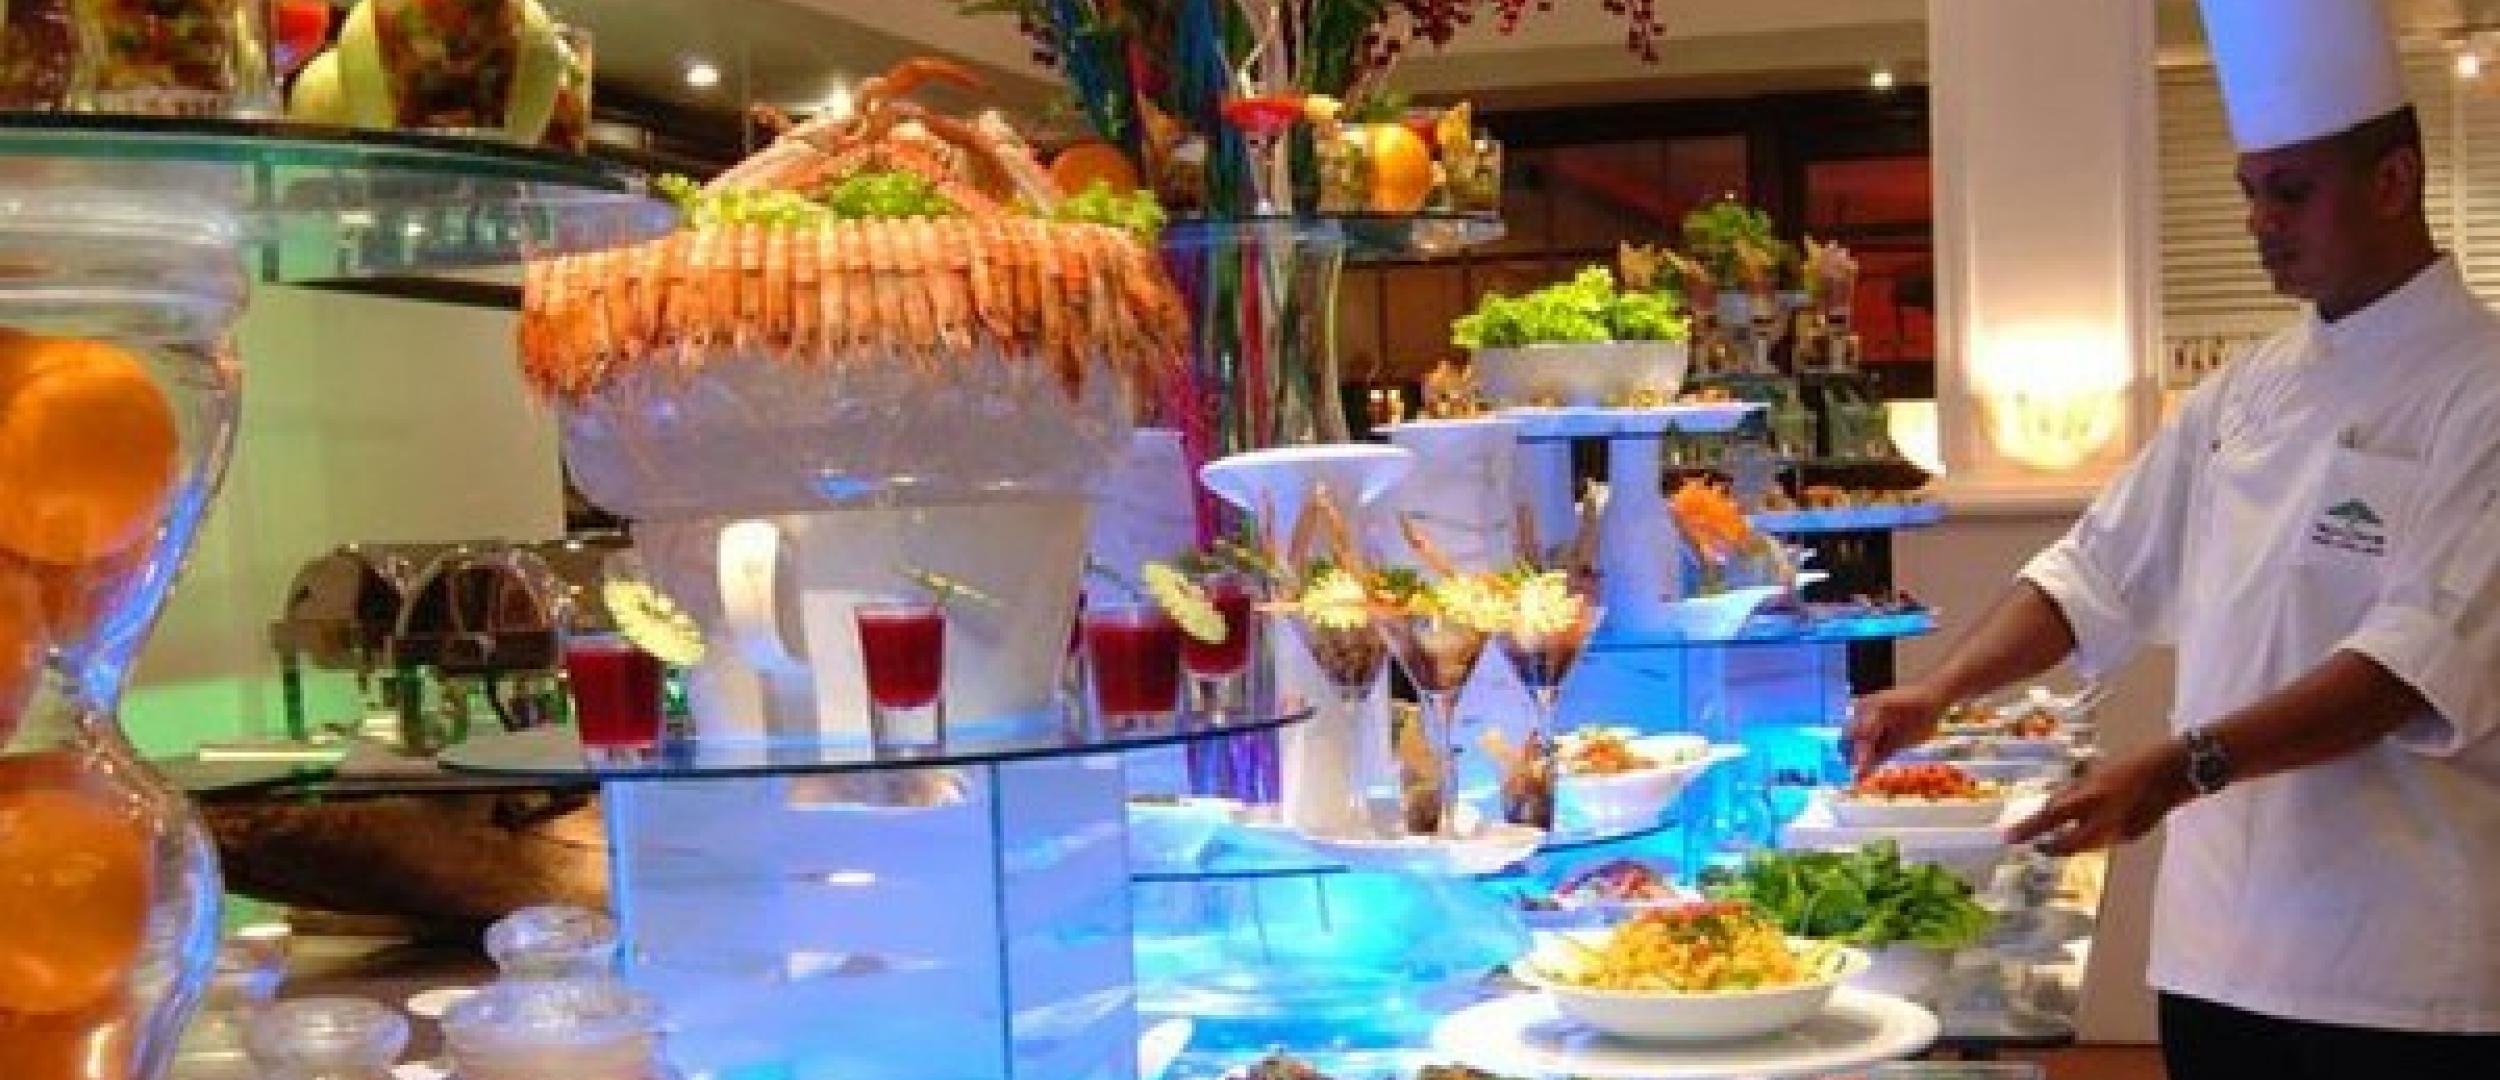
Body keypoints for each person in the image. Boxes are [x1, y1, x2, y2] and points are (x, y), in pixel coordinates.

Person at [1844, 1, 2500, 1076]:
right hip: (2213, 950)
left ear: (2392, 181)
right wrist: (1937, 691)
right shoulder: (2246, 389)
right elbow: (2092, 570)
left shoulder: (2479, 389)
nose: (2258, 222)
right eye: (2248, 192)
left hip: (2397, 968)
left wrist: (2176, 768)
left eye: (2291, 191)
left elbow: (2404, 671)